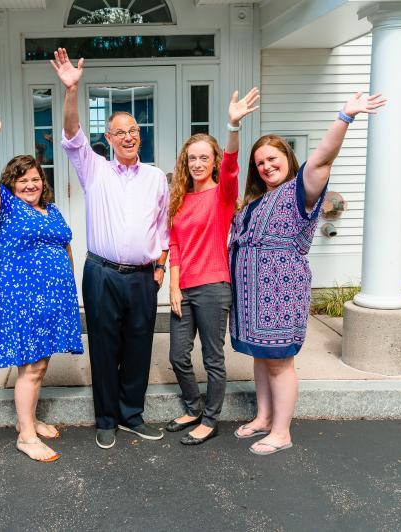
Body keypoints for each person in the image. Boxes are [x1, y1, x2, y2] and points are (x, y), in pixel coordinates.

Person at [230, 91, 386, 455]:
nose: (266, 166)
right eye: (261, 163)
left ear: (288, 159)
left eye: (273, 159)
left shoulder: (302, 189)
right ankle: (264, 417)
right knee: (261, 355)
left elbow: (323, 157)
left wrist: (344, 117)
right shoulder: (257, 199)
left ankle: (281, 431)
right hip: (252, 293)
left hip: (280, 288)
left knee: (280, 360)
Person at [52, 48, 169, 449]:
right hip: (101, 273)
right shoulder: (94, 168)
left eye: (133, 130)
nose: (129, 136)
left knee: (139, 346)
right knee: (103, 345)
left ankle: (131, 415)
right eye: (120, 131)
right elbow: (70, 135)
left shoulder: (156, 177)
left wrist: (161, 266)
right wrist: (71, 90)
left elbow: (164, 226)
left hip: (142, 278)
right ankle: (105, 418)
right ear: (108, 138)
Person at [0, 117, 83, 462]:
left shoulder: (49, 209)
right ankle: (26, 435)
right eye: (23, 179)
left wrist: (69, 281)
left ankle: (31, 420)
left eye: (35, 178)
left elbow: (65, 245)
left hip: (53, 298)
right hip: (22, 298)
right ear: (11, 183)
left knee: (39, 365)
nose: (30, 184)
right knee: (30, 367)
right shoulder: (3, 206)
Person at [165, 88, 260, 445]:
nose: (198, 164)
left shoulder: (222, 195)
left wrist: (232, 125)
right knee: (178, 356)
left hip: (213, 286)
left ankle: (209, 418)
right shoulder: (179, 198)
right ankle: (192, 407)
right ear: (185, 162)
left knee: (212, 358)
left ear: (213, 160)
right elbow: (174, 244)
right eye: (192, 158)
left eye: (205, 157)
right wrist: (173, 285)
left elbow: (234, 166)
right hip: (183, 287)